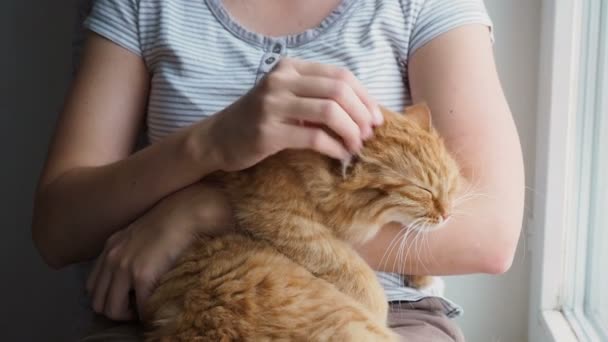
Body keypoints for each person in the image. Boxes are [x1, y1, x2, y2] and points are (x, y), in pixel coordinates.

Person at [32, 0, 524, 340]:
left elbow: (491, 236)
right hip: (183, 312)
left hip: (390, 312)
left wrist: (209, 208)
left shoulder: (419, 6)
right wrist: (210, 144)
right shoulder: (145, 8)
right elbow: (57, 232)